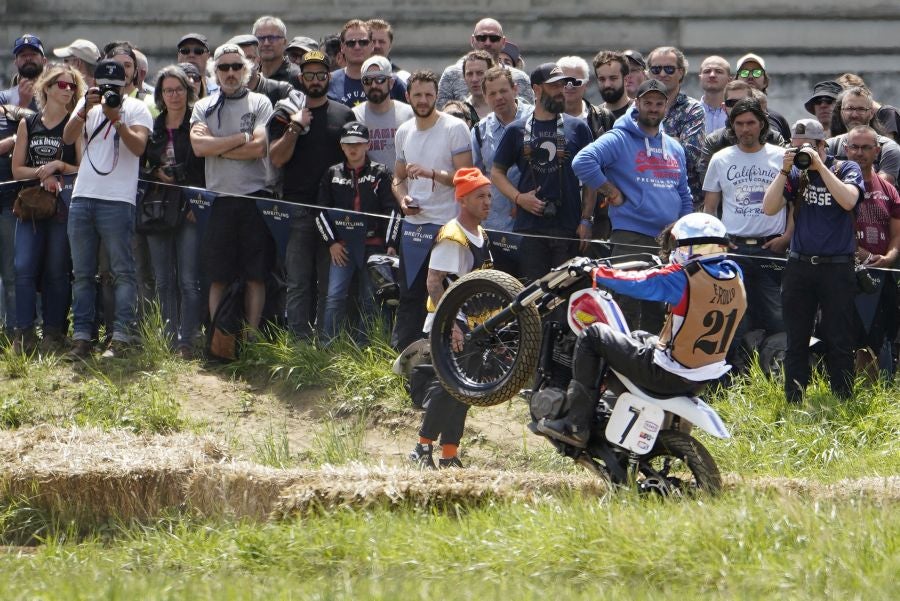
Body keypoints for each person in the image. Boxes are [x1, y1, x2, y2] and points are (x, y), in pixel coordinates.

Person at [538, 213, 746, 447]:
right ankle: (613, 404)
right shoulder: (734, 273)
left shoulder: (681, 278)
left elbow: (638, 281)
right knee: (637, 337)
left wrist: (595, 272)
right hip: (702, 375)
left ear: (687, 248)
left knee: (593, 334)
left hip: (667, 373)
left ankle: (575, 425)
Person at [572, 79, 694, 334]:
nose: (653, 108)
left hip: (667, 242)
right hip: (631, 236)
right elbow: (583, 162)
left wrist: (685, 234)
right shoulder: (619, 137)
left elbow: (684, 193)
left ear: (666, 107)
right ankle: (617, 370)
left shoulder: (674, 147)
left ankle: (650, 369)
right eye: (647, 102)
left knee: (658, 310)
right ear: (637, 103)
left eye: (659, 103)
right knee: (626, 306)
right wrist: (611, 191)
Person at [762, 119, 864, 403]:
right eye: (796, 148)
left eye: (808, 147)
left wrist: (820, 166)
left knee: (839, 339)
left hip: (837, 266)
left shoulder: (845, 168)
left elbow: (848, 201)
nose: (802, 153)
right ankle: (794, 400)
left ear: (823, 144)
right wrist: (785, 169)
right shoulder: (795, 173)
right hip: (800, 265)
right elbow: (769, 208)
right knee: (796, 339)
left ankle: (842, 400)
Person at [62, 59, 153, 358]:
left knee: (122, 272)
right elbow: (67, 136)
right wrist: (86, 107)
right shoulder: (88, 105)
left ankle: (121, 337)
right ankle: (82, 337)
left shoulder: (136, 109)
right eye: (104, 86)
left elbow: (138, 147)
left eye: (115, 86)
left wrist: (117, 119)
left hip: (117, 199)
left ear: (127, 83)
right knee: (83, 273)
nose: (109, 91)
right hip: (82, 196)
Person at [409, 167, 493, 469]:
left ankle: (449, 453)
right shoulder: (452, 236)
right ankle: (421, 447)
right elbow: (434, 282)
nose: (487, 202)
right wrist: (451, 325)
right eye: (480, 196)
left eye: (489, 195)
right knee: (449, 388)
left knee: (463, 391)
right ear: (463, 200)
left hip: (471, 324)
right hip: (450, 323)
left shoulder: (480, 233)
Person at [190, 43, 275, 337]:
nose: (230, 72)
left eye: (236, 67)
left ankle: (251, 336)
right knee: (218, 276)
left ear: (246, 70)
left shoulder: (261, 102)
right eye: (223, 67)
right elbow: (199, 147)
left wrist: (218, 146)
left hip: (255, 198)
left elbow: (259, 148)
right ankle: (219, 337)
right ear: (215, 72)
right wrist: (240, 138)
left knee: (256, 275)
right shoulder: (203, 105)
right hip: (219, 200)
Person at [269, 50, 355, 339]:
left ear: (329, 77)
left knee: (329, 285)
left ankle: (326, 344)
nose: (315, 80)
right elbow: (277, 158)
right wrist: (295, 126)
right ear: (300, 78)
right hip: (298, 209)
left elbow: (354, 160)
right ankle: (298, 345)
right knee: (297, 283)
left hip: (333, 212)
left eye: (321, 75)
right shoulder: (284, 115)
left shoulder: (344, 113)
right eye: (309, 75)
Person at [702, 97, 789, 369]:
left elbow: (795, 205)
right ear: (732, 126)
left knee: (777, 315)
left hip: (770, 249)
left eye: (751, 122)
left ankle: (779, 370)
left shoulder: (779, 157)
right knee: (733, 317)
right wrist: (715, 244)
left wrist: (787, 237)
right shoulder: (720, 159)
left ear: (762, 123)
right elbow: (710, 208)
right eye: (739, 124)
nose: (745, 129)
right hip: (733, 250)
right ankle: (733, 373)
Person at [390, 70, 472, 351]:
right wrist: (402, 201)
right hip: (413, 227)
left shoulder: (454, 127)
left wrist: (430, 173)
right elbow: (398, 178)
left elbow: (466, 177)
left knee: (449, 295)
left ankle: (454, 357)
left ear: (437, 95)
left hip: (447, 228)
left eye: (428, 94)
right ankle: (405, 361)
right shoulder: (403, 131)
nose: (423, 100)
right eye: (418, 95)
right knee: (409, 297)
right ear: (407, 97)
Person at [491, 63, 594, 283]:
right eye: (554, 86)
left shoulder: (578, 127)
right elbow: (496, 173)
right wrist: (519, 198)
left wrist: (586, 219)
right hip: (530, 228)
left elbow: (591, 176)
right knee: (534, 296)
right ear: (536, 89)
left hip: (569, 227)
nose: (561, 90)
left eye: (562, 85)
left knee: (567, 294)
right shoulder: (516, 130)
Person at [9, 65, 84, 354]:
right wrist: (43, 172)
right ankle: (24, 332)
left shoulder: (74, 124)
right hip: (31, 205)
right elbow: (17, 169)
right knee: (23, 267)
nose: (67, 90)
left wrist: (60, 167)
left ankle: (53, 332)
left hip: (63, 205)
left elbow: (82, 165)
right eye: (61, 85)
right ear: (48, 88)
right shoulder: (30, 122)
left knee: (57, 269)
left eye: (71, 86)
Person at [143, 65, 205, 358]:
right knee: (163, 278)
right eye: (168, 90)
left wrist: (198, 201)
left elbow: (205, 164)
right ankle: (168, 338)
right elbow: (141, 164)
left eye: (179, 89)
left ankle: (188, 339)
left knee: (189, 278)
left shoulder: (198, 121)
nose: (174, 95)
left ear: (188, 91)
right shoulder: (153, 125)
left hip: (189, 204)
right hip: (157, 207)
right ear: (160, 94)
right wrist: (156, 170)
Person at [316, 121, 397, 342]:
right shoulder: (332, 173)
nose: (354, 148)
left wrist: (390, 243)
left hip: (374, 247)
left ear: (367, 145)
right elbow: (320, 211)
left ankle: (364, 348)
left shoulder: (381, 173)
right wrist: (331, 243)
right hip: (341, 248)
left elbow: (392, 210)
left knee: (370, 299)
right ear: (341, 146)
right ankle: (327, 347)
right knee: (334, 296)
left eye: (359, 143)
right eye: (348, 143)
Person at [845, 125, 900, 377]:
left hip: (882, 271)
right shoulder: (837, 185)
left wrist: (889, 257)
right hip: (846, 272)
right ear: (846, 150)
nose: (859, 153)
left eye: (866, 147)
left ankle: (880, 391)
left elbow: (897, 233)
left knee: (881, 334)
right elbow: (830, 228)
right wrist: (859, 252)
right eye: (854, 147)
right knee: (850, 335)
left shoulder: (888, 189)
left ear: (877, 151)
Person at [472, 66, 530, 237]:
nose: (499, 98)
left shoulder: (537, 120)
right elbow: (475, 176)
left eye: (503, 91)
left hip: (533, 220)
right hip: (495, 223)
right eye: (492, 94)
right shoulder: (479, 131)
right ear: (485, 97)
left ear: (515, 89)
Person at [646, 46, 705, 204]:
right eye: (656, 69)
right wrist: (674, 142)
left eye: (669, 69)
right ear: (648, 73)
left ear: (681, 72)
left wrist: (648, 146)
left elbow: (690, 156)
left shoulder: (693, 109)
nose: (663, 74)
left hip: (683, 202)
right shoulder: (636, 109)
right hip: (647, 200)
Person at [437, 18, 533, 109]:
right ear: (472, 40)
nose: (487, 43)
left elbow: (528, 119)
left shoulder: (520, 78)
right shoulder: (452, 74)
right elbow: (441, 116)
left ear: (503, 42)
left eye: (494, 38)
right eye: (481, 38)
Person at [827, 86, 900, 185]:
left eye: (861, 109)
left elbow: (882, 186)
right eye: (849, 109)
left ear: (871, 113)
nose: (854, 115)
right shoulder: (830, 146)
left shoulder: (888, 148)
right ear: (841, 112)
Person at [351, 55, 414, 169]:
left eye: (380, 79)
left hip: (404, 184)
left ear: (391, 82)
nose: (374, 85)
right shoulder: (354, 116)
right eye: (367, 80)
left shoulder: (409, 114)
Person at [328, 19, 406, 108]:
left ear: (372, 45)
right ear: (342, 47)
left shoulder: (391, 81)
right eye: (351, 43)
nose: (357, 47)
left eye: (363, 42)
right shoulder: (329, 81)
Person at [733, 53, 791, 141]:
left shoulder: (778, 120)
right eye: (744, 72)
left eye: (757, 72)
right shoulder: (726, 116)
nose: (750, 76)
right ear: (736, 81)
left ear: (765, 82)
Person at [557, 55, 614, 139]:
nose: (569, 86)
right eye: (564, 81)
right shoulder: (542, 117)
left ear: (586, 84)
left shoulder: (604, 117)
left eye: (576, 82)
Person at [253, 15, 300, 86]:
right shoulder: (250, 76)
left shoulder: (296, 77)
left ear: (284, 42)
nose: (266, 43)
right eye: (261, 38)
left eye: (272, 38)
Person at [367, 18, 410, 83]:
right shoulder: (350, 76)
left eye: (381, 42)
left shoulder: (404, 78)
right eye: (372, 41)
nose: (376, 46)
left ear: (390, 46)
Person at [592, 50, 631, 120]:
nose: (607, 85)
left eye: (613, 78)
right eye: (602, 79)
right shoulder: (593, 118)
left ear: (626, 80)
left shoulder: (640, 113)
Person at [698, 56, 730, 134]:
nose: (712, 75)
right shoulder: (688, 114)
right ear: (700, 78)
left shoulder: (736, 113)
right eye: (707, 71)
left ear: (729, 79)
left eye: (718, 71)